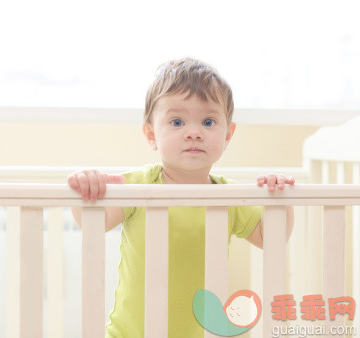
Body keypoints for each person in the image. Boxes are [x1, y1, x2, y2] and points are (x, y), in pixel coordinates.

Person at [66, 57, 295, 337]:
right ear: (151, 135)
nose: (194, 133)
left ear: (227, 135)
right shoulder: (140, 185)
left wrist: (280, 200)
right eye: (177, 122)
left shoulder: (229, 196)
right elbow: (94, 223)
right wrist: (87, 191)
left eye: (208, 122)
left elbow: (271, 239)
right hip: (131, 333)